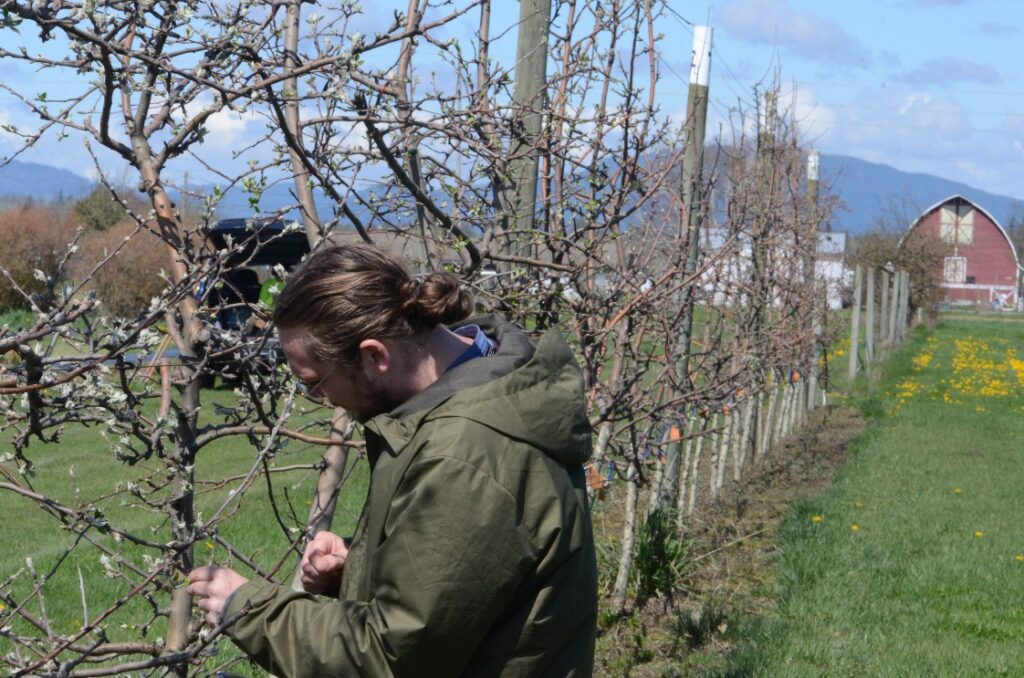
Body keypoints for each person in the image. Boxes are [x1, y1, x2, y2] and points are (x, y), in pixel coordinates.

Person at [188, 244, 598, 676]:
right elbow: (466, 586)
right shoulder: (485, 379)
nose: (318, 398)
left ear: (373, 356)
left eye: (314, 381)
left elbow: (390, 658)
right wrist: (361, 563)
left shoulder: (464, 454)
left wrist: (247, 607)